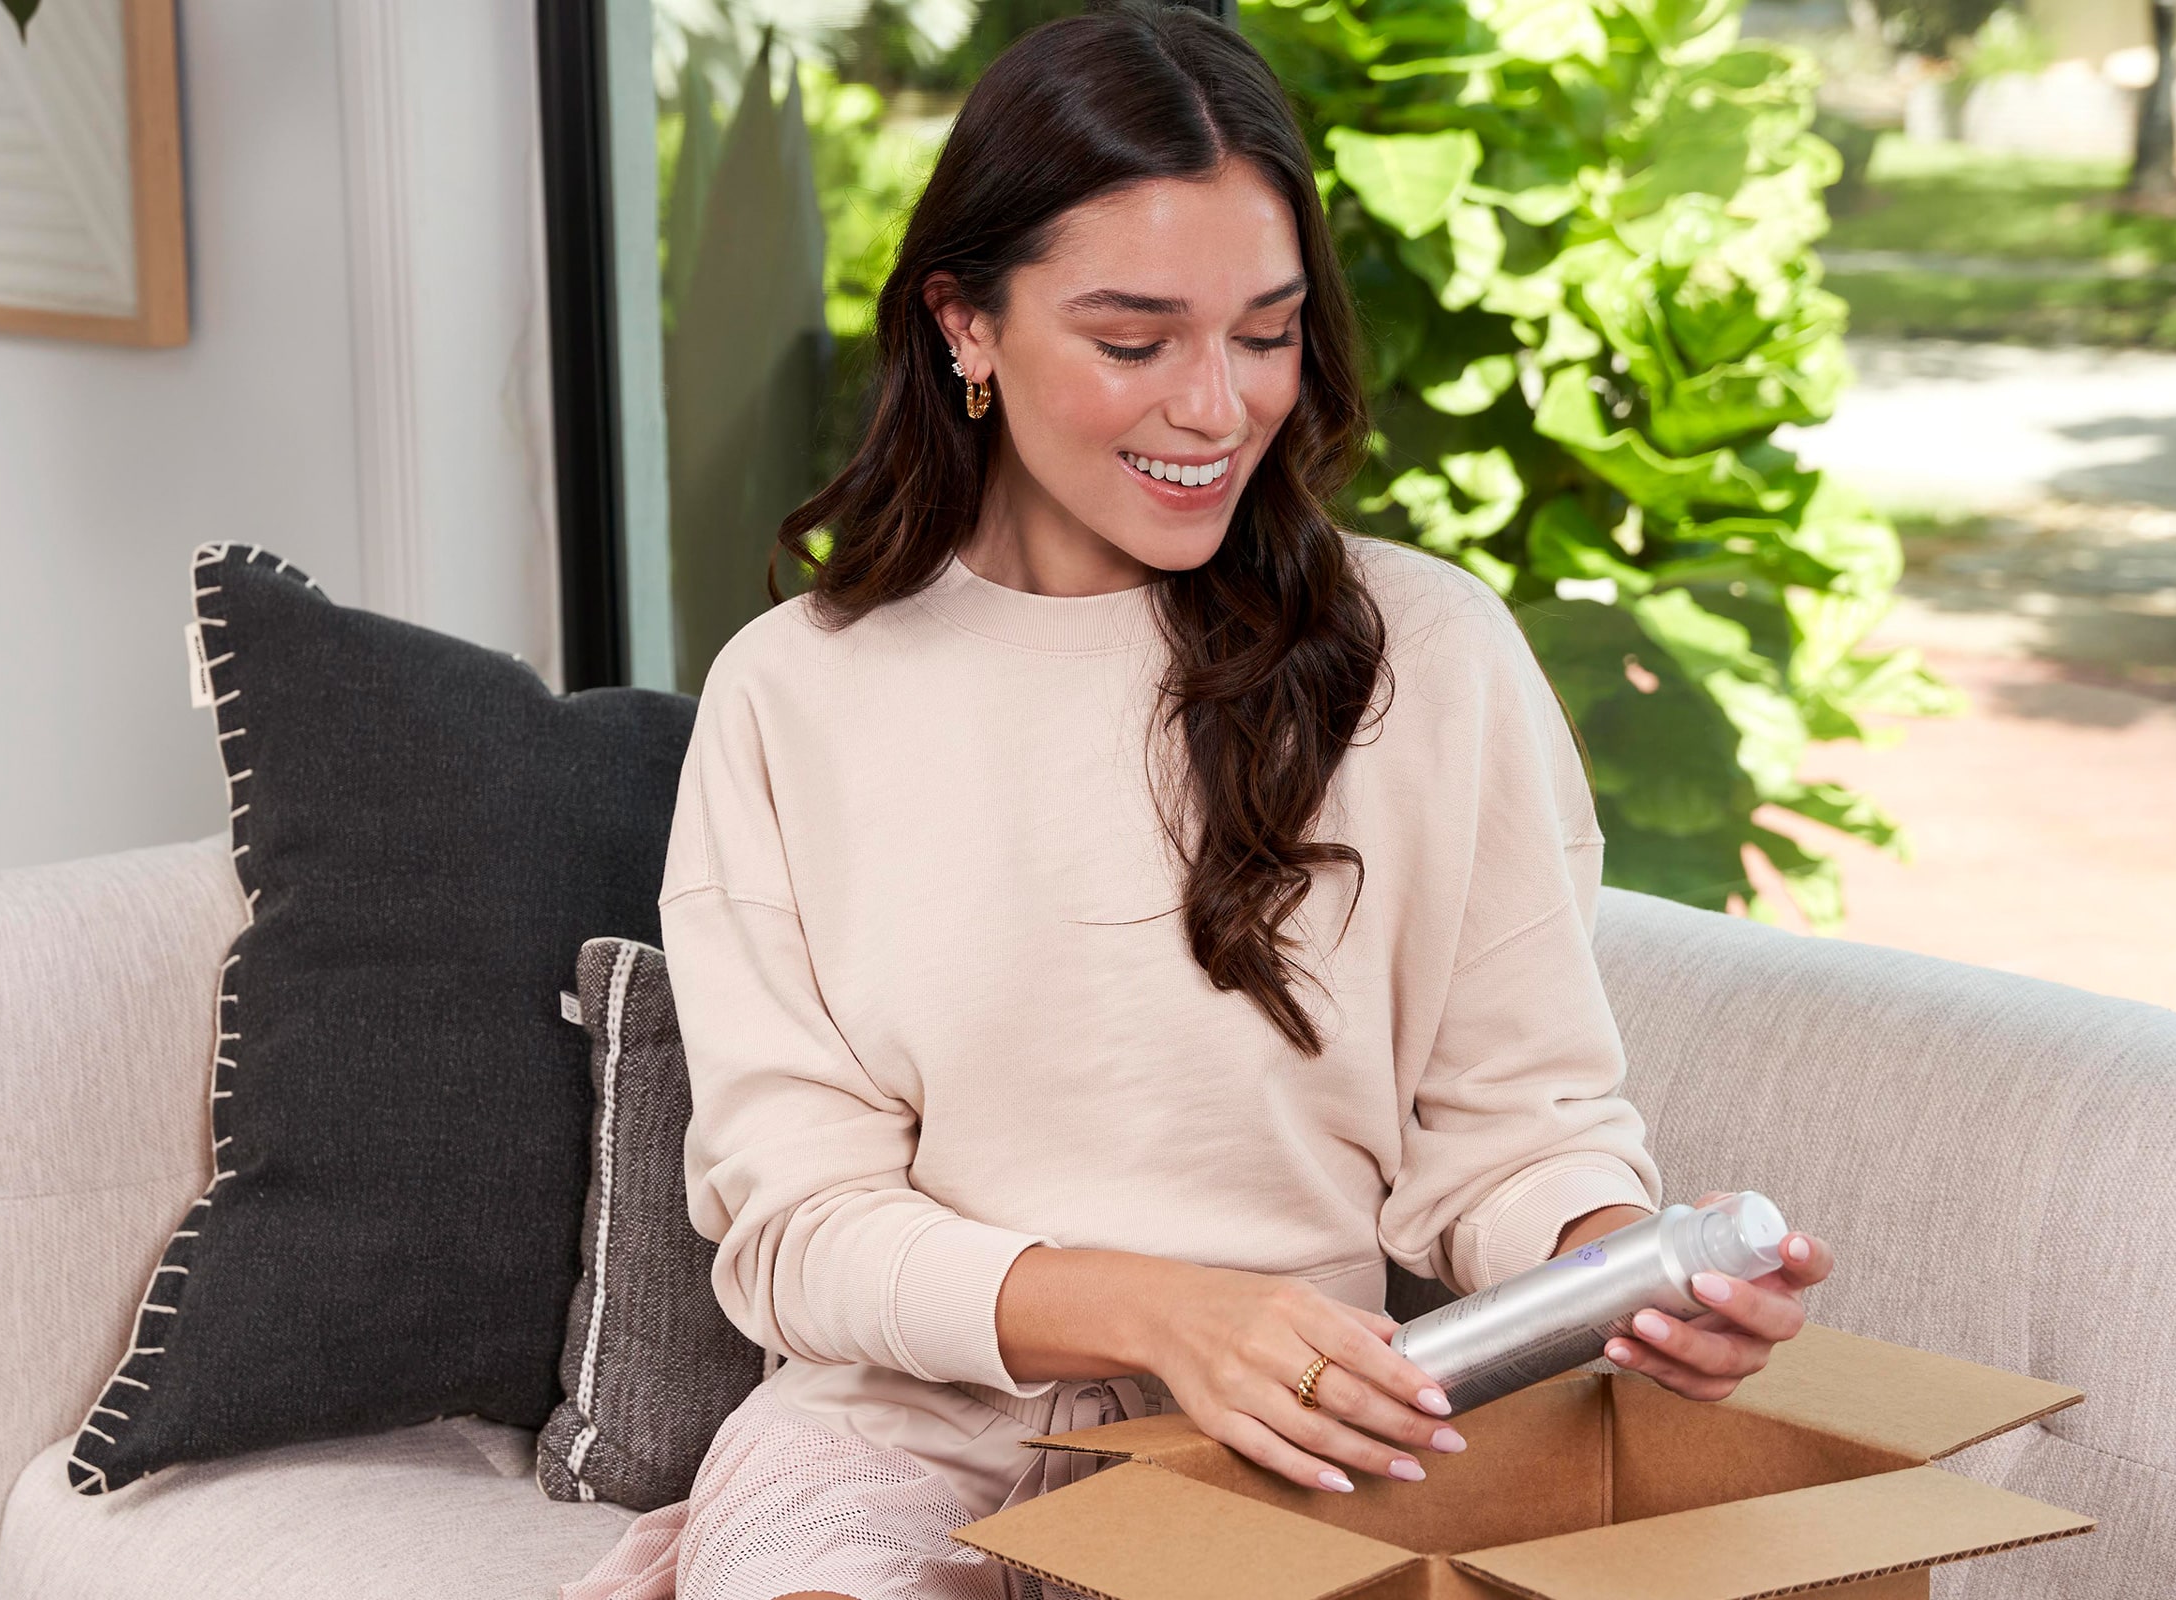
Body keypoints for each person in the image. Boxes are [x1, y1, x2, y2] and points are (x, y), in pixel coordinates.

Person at [561, 3, 1837, 1597]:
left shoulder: (1426, 657)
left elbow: (1514, 1138)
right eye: (1132, 339)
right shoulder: (794, 694)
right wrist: (1161, 1309)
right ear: (966, 324)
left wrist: (1616, 1272)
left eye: (1264, 331)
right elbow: (798, 1236)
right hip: (894, 1443)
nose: (1218, 408)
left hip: (1295, 1449)